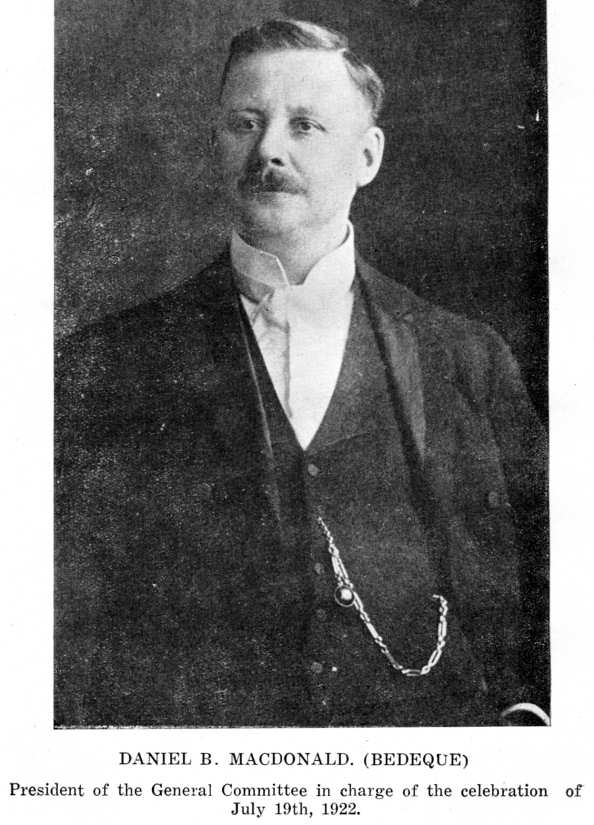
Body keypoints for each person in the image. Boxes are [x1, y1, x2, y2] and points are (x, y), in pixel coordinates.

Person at [55, 19, 548, 727]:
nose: (268, 150)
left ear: (367, 156)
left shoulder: (467, 358)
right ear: (215, 144)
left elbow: (550, 579)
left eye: (305, 125)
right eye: (245, 123)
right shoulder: (106, 365)